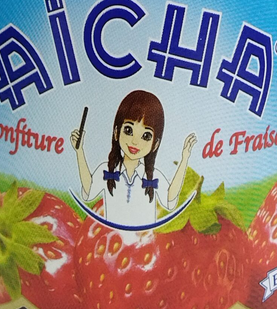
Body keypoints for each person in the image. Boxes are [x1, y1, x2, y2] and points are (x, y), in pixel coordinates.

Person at [71, 89, 196, 229]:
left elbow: (170, 198)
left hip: (143, 241)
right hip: (112, 239)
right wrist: (79, 152)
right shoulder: (107, 170)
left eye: (146, 136)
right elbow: (88, 191)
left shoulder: (153, 176)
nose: (135, 141)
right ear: (116, 132)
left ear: (155, 144)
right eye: (128, 130)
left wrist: (184, 159)